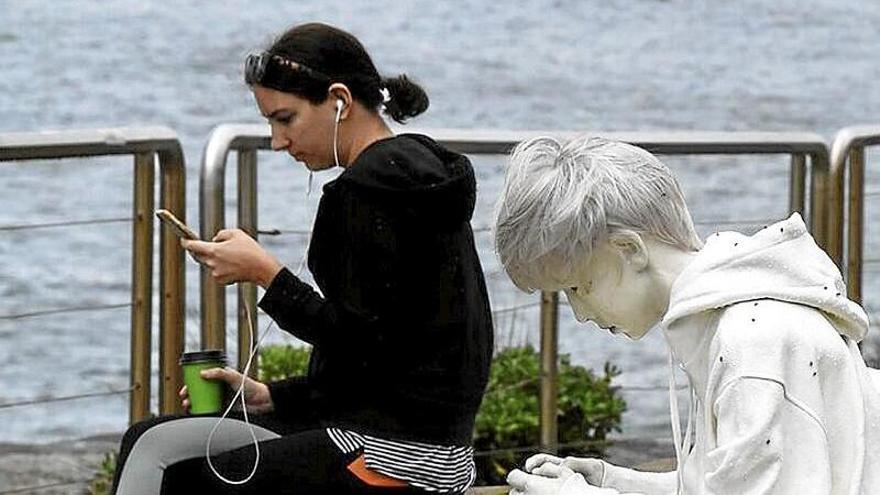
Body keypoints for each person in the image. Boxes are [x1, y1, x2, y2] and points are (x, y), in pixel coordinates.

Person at [111, 22, 493, 495]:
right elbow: (390, 351)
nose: (276, 141)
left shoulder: (363, 193)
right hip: (442, 455)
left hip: (386, 455)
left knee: (165, 465)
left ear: (339, 100)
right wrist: (272, 397)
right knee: (150, 439)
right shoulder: (423, 178)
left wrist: (266, 275)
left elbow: (356, 340)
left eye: (285, 118)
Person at [493, 136, 880, 494]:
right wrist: (614, 481)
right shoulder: (730, 318)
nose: (579, 313)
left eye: (579, 287)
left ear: (629, 248)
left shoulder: (752, 343)